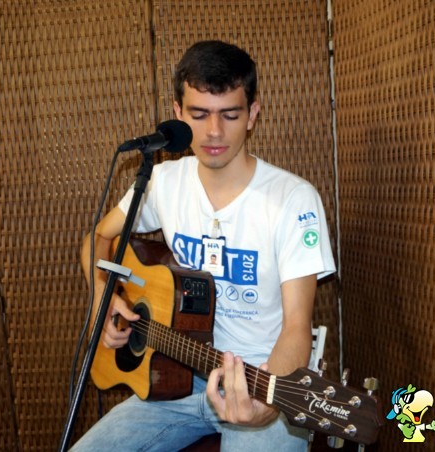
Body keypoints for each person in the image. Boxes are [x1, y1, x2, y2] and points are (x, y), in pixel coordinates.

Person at [73, 40, 336, 451]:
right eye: (198, 115)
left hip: (259, 380)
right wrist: (101, 299)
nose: (214, 131)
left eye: (230, 114)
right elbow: (99, 238)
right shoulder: (163, 182)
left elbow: (297, 326)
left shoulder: (292, 200)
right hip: (175, 376)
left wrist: (268, 403)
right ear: (177, 113)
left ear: (252, 114)